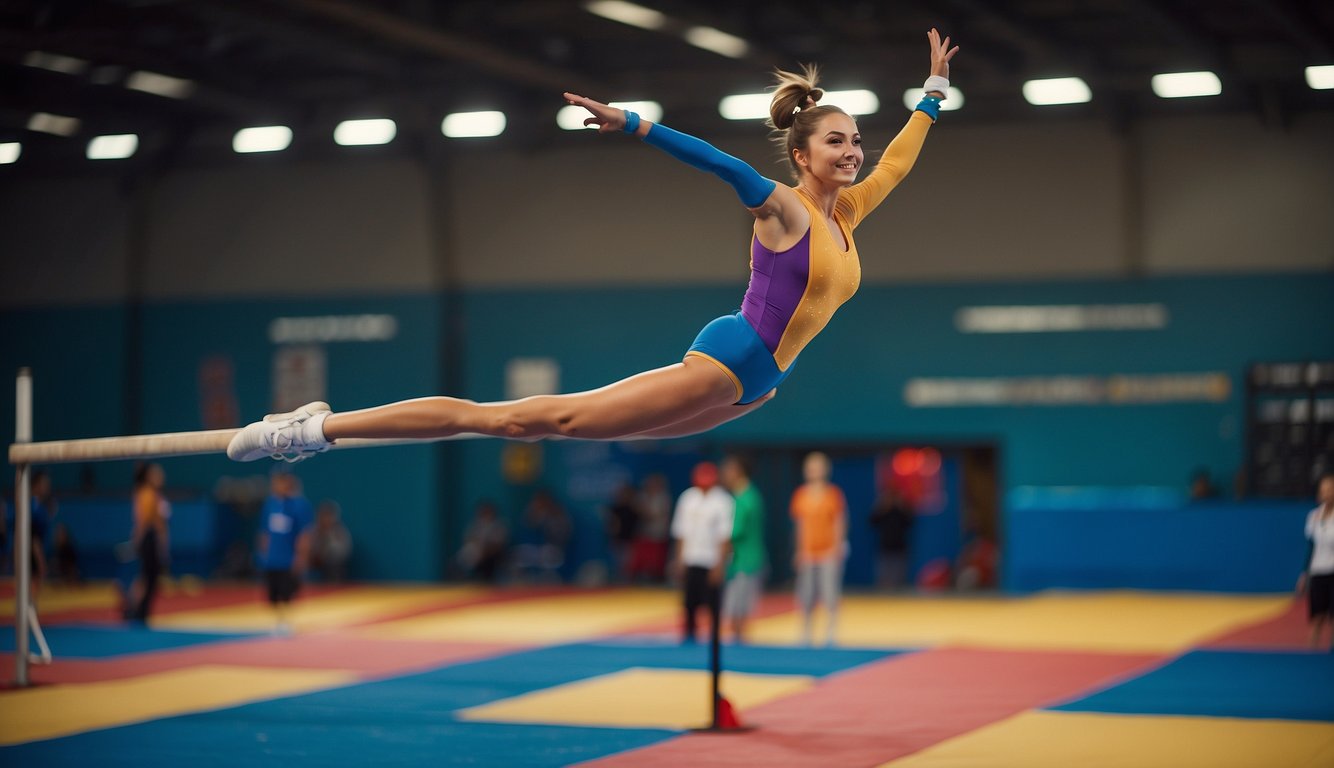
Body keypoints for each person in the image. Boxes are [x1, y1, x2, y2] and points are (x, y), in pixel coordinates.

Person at [225, 30, 959, 463]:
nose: (855, 152)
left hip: (756, 386)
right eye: (838, 141)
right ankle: (313, 429)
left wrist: (930, 91)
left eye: (855, 140)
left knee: (549, 430)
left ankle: (317, 428)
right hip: (731, 360)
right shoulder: (786, 212)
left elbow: (899, 159)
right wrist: (635, 125)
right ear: (802, 154)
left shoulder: (847, 216)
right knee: (517, 420)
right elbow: (720, 163)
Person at [671, 462, 734, 644]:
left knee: (713, 603)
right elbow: (680, 531)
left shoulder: (722, 500)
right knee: (689, 602)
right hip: (691, 558)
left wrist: (720, 564)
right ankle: (689, 636)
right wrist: (679, 559)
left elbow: (724, 535)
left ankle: (715, 639)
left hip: (711, 559)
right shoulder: (688, 498)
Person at [791, 451, 847, 646]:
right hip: (808, 552)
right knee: (806, 595)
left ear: (825, 470)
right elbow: (800, 525)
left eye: (817, 467)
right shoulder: (801, 495)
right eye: (810, 467)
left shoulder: (833, 494)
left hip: (827, 552)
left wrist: (837, 547)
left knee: (829, 594)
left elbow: (839, 522)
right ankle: (806, 632)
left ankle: (830, 632)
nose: (813, 471)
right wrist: (799, 550)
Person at [257, 470, 314, 634]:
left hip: (288, 557)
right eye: (274, 483)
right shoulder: (270, 504)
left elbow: (304, 533)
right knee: (272, 593)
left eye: (280, 482)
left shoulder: (299, 505)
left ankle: (285, 621)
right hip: (272, 557)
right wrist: (263, 553)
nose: (276, 486)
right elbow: (264, 531)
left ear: (288, 483)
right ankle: (278, 619)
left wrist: (301, 557)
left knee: (287, 590)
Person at [721, 455, 766, 643]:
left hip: (745, 561)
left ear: (738, 472)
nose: (724, 474)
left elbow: (733, 532)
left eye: (728, 470)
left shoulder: (743, 499)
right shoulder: (751, 495)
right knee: (739, 607)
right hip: (748, 559)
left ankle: (739, 644)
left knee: (737, 608)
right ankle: (738, 640)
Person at [126, 462, 170, 622]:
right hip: (148, 538)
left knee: (149, 577)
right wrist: (137, 541)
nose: (161, 476)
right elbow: (143, 522)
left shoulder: (154, 495)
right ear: (148, 476)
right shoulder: (147, 494)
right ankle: (135, 610)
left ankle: (138, 610)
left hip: (151, 538)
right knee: (147, 577)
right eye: (157, 473)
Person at [1300, 473, 1334, 650]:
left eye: (1330, 489)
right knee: (1317, 616)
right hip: (1318, 571)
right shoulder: (1313, 516)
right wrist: (1304, 573)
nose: (1327, 493)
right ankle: (1311, 655)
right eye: (1324, 489)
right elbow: (1311, 546)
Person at [512, 489, 571, 582]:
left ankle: (549, 581)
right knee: (519, 555)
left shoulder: (557, 513)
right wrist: (536, 514)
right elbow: (527, 525)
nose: (539, 504)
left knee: (549, 556)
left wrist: (547, 520)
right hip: (535, 549)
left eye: (541, 502)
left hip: (553, 548)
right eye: (537, 502)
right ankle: (520, 581)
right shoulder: (533, 512)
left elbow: (560, 536)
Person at [629, 473, 672, 582]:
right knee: (641, 558)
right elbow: (638, 511)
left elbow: (659, 514)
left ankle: (656, 578)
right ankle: (640, 578)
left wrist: (648, 513)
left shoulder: (663, 497)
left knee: (657, 560)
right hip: (644, 533)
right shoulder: (643, 496)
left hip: (658, 534)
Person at [869, 485, 914, 590]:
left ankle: (899, 601)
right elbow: (872, 522)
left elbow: (910, 522)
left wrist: (903, 506)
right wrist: (881, 507)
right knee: (884, 578)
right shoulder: (883, 510)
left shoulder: (902, 511)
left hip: (900, 548)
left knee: (900, 578)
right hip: (885, 548)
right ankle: (883, 600)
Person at [457, 499, 509, 583]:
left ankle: (485, 580)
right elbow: (468, 540)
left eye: (487, 512)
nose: (485, 515)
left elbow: (498, 545)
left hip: (491, 556)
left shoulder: (499, 526)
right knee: (463, 557)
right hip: (476, 553)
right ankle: (463, 580)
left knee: (488, 561)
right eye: (483, 512)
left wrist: (485, 552)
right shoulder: (475, 526)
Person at [309, 500, 352, 582]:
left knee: (334, 568)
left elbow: (344, 551)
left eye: (328, 516)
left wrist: (327, 554)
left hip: (332, 564)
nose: (326, 519)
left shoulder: (339, 531)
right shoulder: (313, 530)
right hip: (315, 563)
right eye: (323, 516)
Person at [605, 483, 641, 581]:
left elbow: (638, 524)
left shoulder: (633, 508)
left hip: (630, 540)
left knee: (628, 564)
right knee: (618, 563)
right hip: (618, 540)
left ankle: (627, 581)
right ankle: (618, 580)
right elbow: (611, 525)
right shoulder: (615, 509)